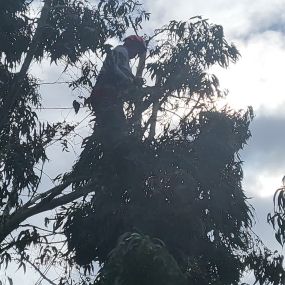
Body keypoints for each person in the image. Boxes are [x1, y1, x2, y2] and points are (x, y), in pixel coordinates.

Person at [89, 35, 147, 144]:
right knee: (119, 128)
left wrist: (133, 81)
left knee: (109, 129)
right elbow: (118, 71)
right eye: (137, 50)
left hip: (105, 95)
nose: (135, 55)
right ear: (132, 45)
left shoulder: (121, 54)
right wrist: (133, 82)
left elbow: (122, 72)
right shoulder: (121, 51)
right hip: (106, 94)